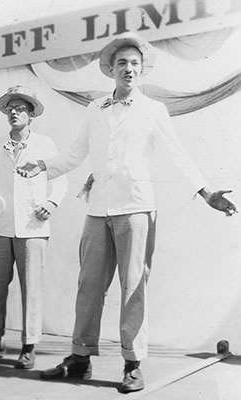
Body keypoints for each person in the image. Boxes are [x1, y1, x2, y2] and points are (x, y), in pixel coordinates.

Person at [16, 32, 237, 392]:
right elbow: (74, 154)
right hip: (98, 210)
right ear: (111, 70)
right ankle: (79, 358)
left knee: (134, 287)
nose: (129, 68)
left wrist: (206, 192)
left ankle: (132, 364)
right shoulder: (95, 108)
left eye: (135, 63)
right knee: (88, 286)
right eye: (122, 63)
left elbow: (178, 153)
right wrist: (42, 165)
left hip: (136, 209)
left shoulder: (154, 110)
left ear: (142, 70)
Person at [0, 86, 68, 369]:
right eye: (10, 108)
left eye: (20, 108)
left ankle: (29, 346)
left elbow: (60, 179)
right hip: (0, 226)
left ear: (31, 114)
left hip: (33, 227)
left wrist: (51, 202)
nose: (14, 112)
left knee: (32, 288)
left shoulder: (45, 144)